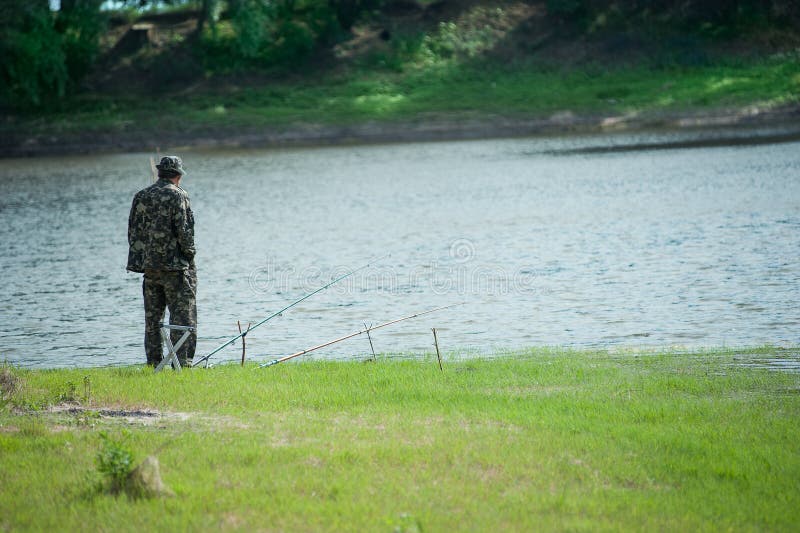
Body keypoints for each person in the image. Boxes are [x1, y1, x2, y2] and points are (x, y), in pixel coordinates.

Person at [127, 155, 197, 367]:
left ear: (160, 173)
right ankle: (181, 363)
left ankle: (154, 363)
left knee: (153, 320)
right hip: (176, 268)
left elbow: (133, 232)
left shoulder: (141, 196)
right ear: (178, 175)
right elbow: (184, 231)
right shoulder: (179, 196)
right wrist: (190, 255)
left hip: (150, 268)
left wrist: (142, 260)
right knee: (182, 319)